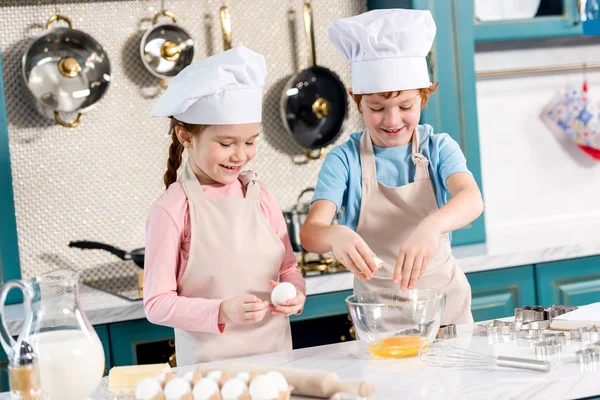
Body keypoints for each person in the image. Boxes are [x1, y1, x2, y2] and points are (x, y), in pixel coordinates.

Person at [300, 9, 483, 324]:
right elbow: (311, 234)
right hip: (381, 318)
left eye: (406, 106)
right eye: (377, 107)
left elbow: (471, 198)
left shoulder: (438, 148)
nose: (392, 120)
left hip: (446, 312)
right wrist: (336, 235)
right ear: (357, 99)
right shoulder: (344, 160)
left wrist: (432, 226)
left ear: (423, 99)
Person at [143, 46, 306, 365]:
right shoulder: (172, 209)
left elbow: (288, 269)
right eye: (226, 143)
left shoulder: (261, 196)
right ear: (186, 136)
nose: (240, 155)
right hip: (210, 375)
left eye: (250, 141)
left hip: (277, 364)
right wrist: (221, 311)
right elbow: (157, 304)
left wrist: (296, 294)